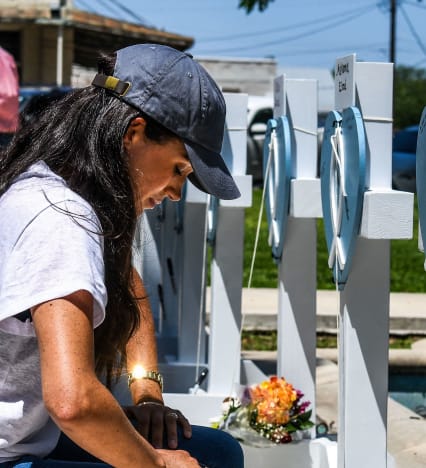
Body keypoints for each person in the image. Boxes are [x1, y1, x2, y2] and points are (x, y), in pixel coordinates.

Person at [0, 44, 243, 468]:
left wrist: (146, 391)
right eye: (180, 169)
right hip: (11, 453)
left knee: (219, 451)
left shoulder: (60, 189)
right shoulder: (60, 219)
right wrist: (158, 464)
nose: (175, 192)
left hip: (33, 439)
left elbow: (125, 283)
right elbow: (73, 401)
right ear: (133, 133)